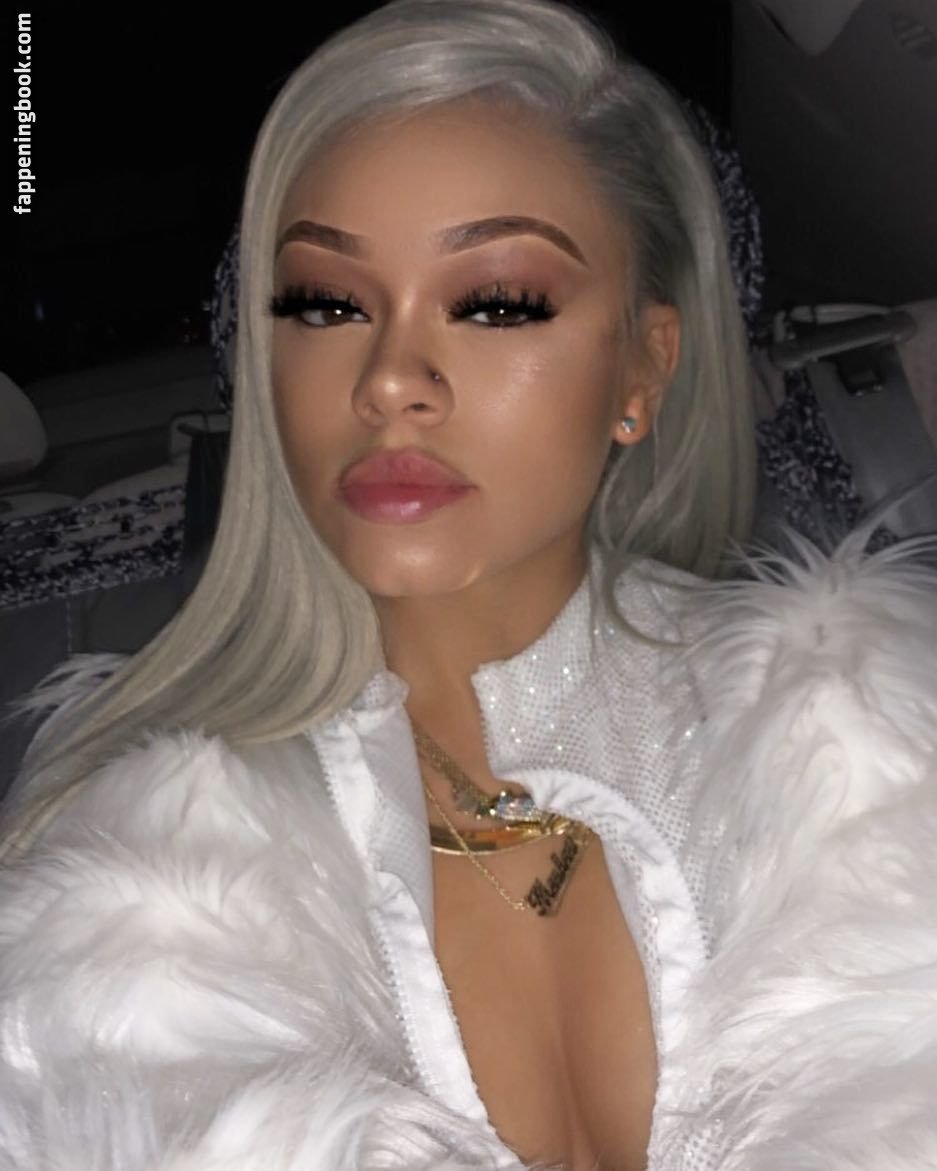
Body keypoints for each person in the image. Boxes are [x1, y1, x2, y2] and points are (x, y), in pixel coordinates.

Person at [2, 2, 936, 1168]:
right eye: (326, 303)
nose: (391, 378)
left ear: (644, 366)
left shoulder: (867, 741)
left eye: (497, 301)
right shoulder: (129, 889)